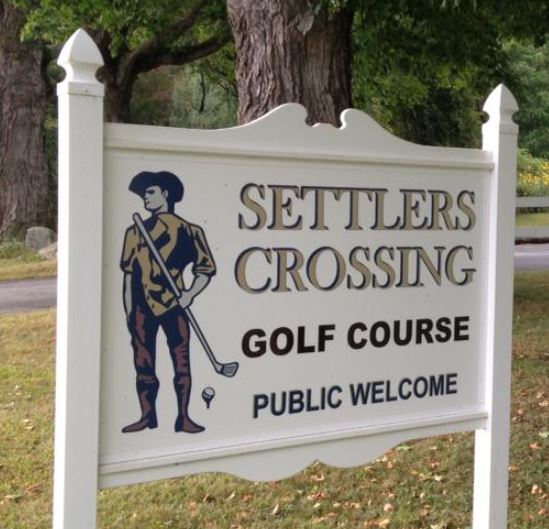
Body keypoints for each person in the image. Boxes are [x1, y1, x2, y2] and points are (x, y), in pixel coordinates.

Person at [120, 170, 216, 433]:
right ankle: (147, 416)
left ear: (165, 194)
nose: (145, 199)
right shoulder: (134, 231)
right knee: (143, 363)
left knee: (181, 362)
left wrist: (190, 294)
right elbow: (128, 277)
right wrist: (129, 312)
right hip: (141, 307)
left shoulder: (189, 230)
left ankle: (183, 417)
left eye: (149, 192)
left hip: (174, 305)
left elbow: (205, 269)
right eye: (143, 195)